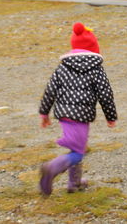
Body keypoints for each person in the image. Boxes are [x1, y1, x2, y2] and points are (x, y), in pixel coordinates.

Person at [38, 22, 117, 196]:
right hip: (81, 116)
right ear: (94, 49)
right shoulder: (96, 69)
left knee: (78, 147)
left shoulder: (63, 66)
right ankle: (51, 168)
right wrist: (111, 116)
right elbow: (105, 94)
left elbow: (50, 90)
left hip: (64, 115)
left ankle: (74, 183)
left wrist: (44, 113)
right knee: (78, 153)